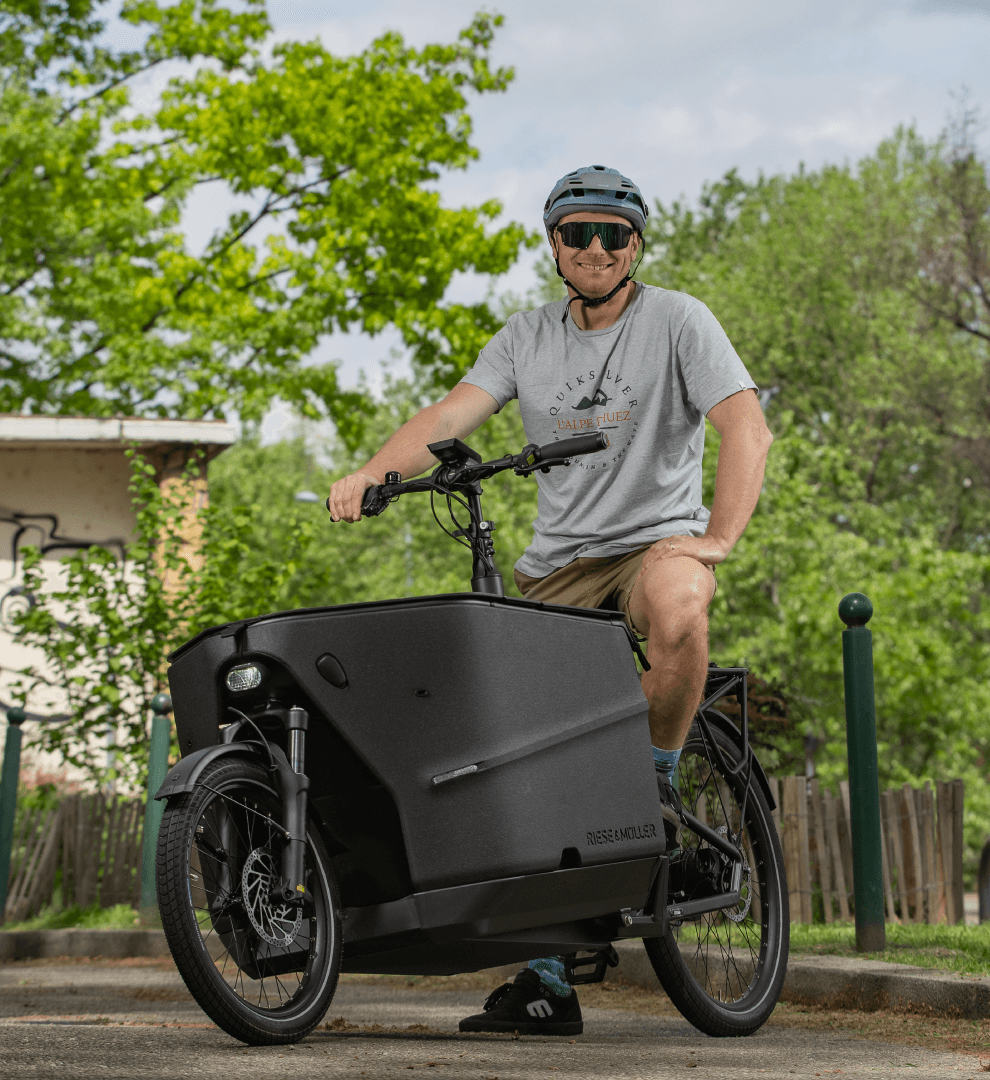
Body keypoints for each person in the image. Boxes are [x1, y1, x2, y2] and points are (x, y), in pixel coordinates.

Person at [328, 165, 773, 1036]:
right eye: (579, 233)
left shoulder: (679, 320)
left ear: (636, 244)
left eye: (614, 234)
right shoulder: (527, 337)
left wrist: (717, 539)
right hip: (558, 564)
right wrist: (371, 473)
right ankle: (545, 979)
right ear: (555, 245)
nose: (597, 248)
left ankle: (655, 783)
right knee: (518, 754)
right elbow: (452, 414)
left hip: (655, 542)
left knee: (682, 604)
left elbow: (743, 423)